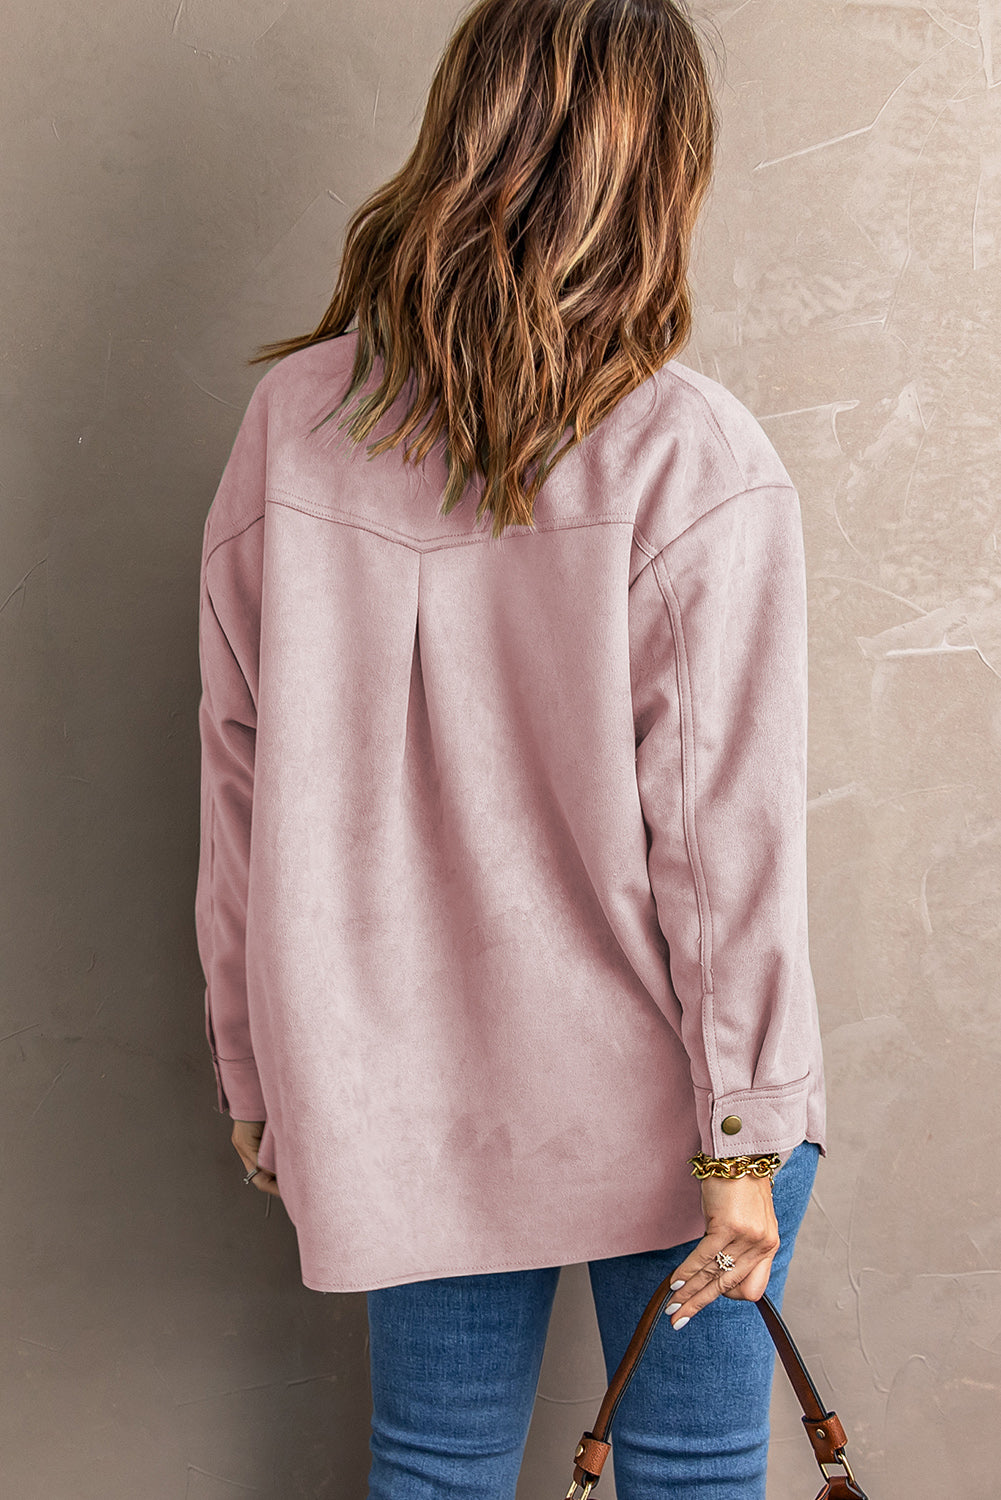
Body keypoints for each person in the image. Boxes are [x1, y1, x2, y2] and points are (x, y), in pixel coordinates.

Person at [194, 0, 828, 1495]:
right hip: (676, 1097)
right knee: (692, 1469)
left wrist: (255, 1063)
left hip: (393, 1080)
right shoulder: (692, 454)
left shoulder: (296, 424)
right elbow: (723, 833)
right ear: (659, 172)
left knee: (432, 1465)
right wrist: (746, 1136)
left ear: (459, 135)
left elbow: (236, 774)